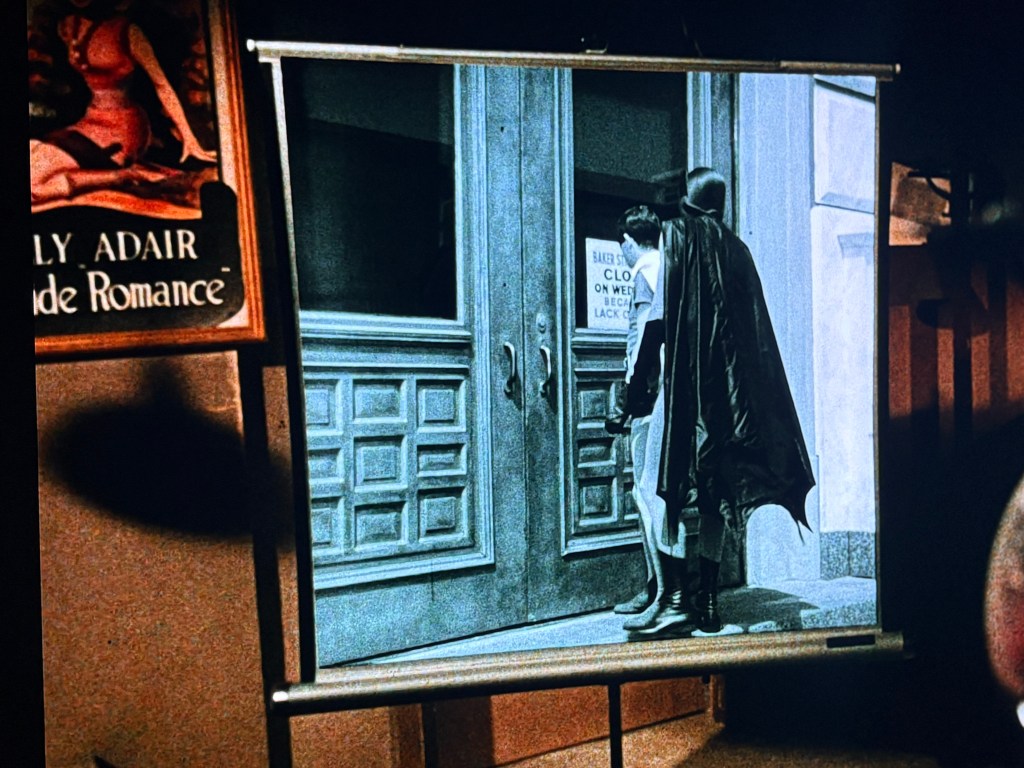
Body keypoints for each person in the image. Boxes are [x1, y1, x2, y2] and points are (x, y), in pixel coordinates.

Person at [631, 167, 815, 634]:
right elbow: (755, 334)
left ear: (687, 203)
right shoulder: (738, 250)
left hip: (683, 394)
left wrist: (635, 389)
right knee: (713, 495)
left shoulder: (675, 236)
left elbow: (656, 322)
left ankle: (675, 601)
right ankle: (709, 601)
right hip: (727, 401)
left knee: (662, 486)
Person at [30, 0, 217, 207]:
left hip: (122, 129)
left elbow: (161, 85)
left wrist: (189, 139)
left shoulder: (128, 32)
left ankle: (119, 176)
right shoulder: (69, 25)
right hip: (89, 122)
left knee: (32, 183)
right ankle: (118, 175)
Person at [605, 205, 691, 634]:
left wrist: (629, 398)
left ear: (627, 240)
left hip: (652, 400)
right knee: (657, 493)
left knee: (648, 494)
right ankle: (657, 584)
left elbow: (644, 341)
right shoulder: (671, 266)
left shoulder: (644, 271)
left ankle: (666, 595)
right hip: (672, 396)